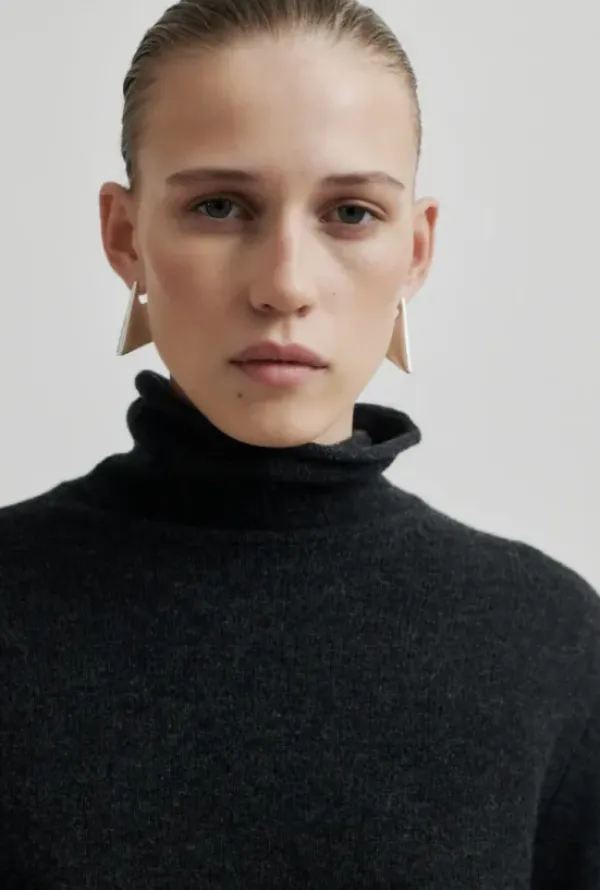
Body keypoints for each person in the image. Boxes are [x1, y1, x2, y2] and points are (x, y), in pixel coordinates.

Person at [0, 0, 598, 886]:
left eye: (350, 212)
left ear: (416, 250)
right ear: (124, 236)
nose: (284, 284)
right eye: (218, 206)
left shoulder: (550, 643)